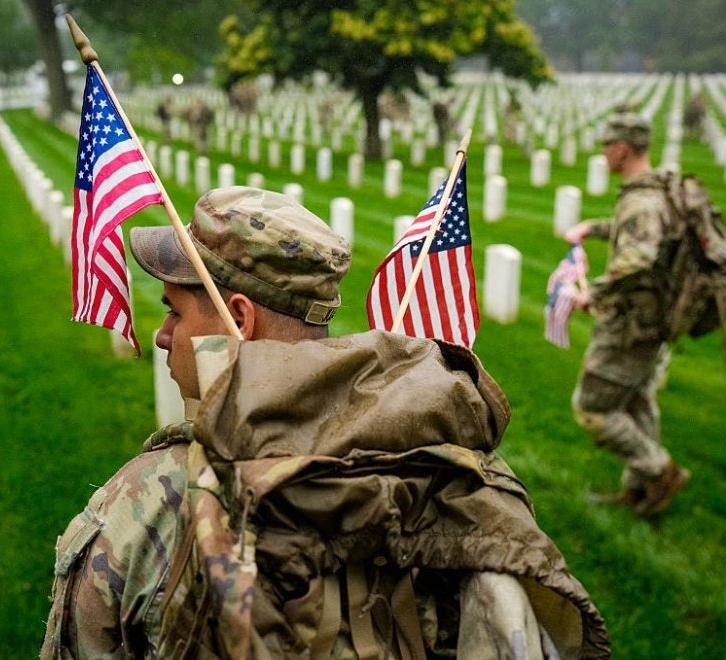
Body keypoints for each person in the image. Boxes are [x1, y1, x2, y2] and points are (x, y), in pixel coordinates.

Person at [42, 187, 609, 659]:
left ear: (238, 317)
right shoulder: (449, 469)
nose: (163, 334)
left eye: (174, 310)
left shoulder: (153, 499)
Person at [563, 111, 692, 517]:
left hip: (631, 324)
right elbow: (638, 231)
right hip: (650, 321)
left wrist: (592, 294)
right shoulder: (656, 190)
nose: (603, 152)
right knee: (635, 403)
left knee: (593, 408)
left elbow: (638, 256)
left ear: (621, 148)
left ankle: (659, 470)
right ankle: (639, 489)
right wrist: (595, 227)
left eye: (606, 145)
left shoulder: (642, 199)